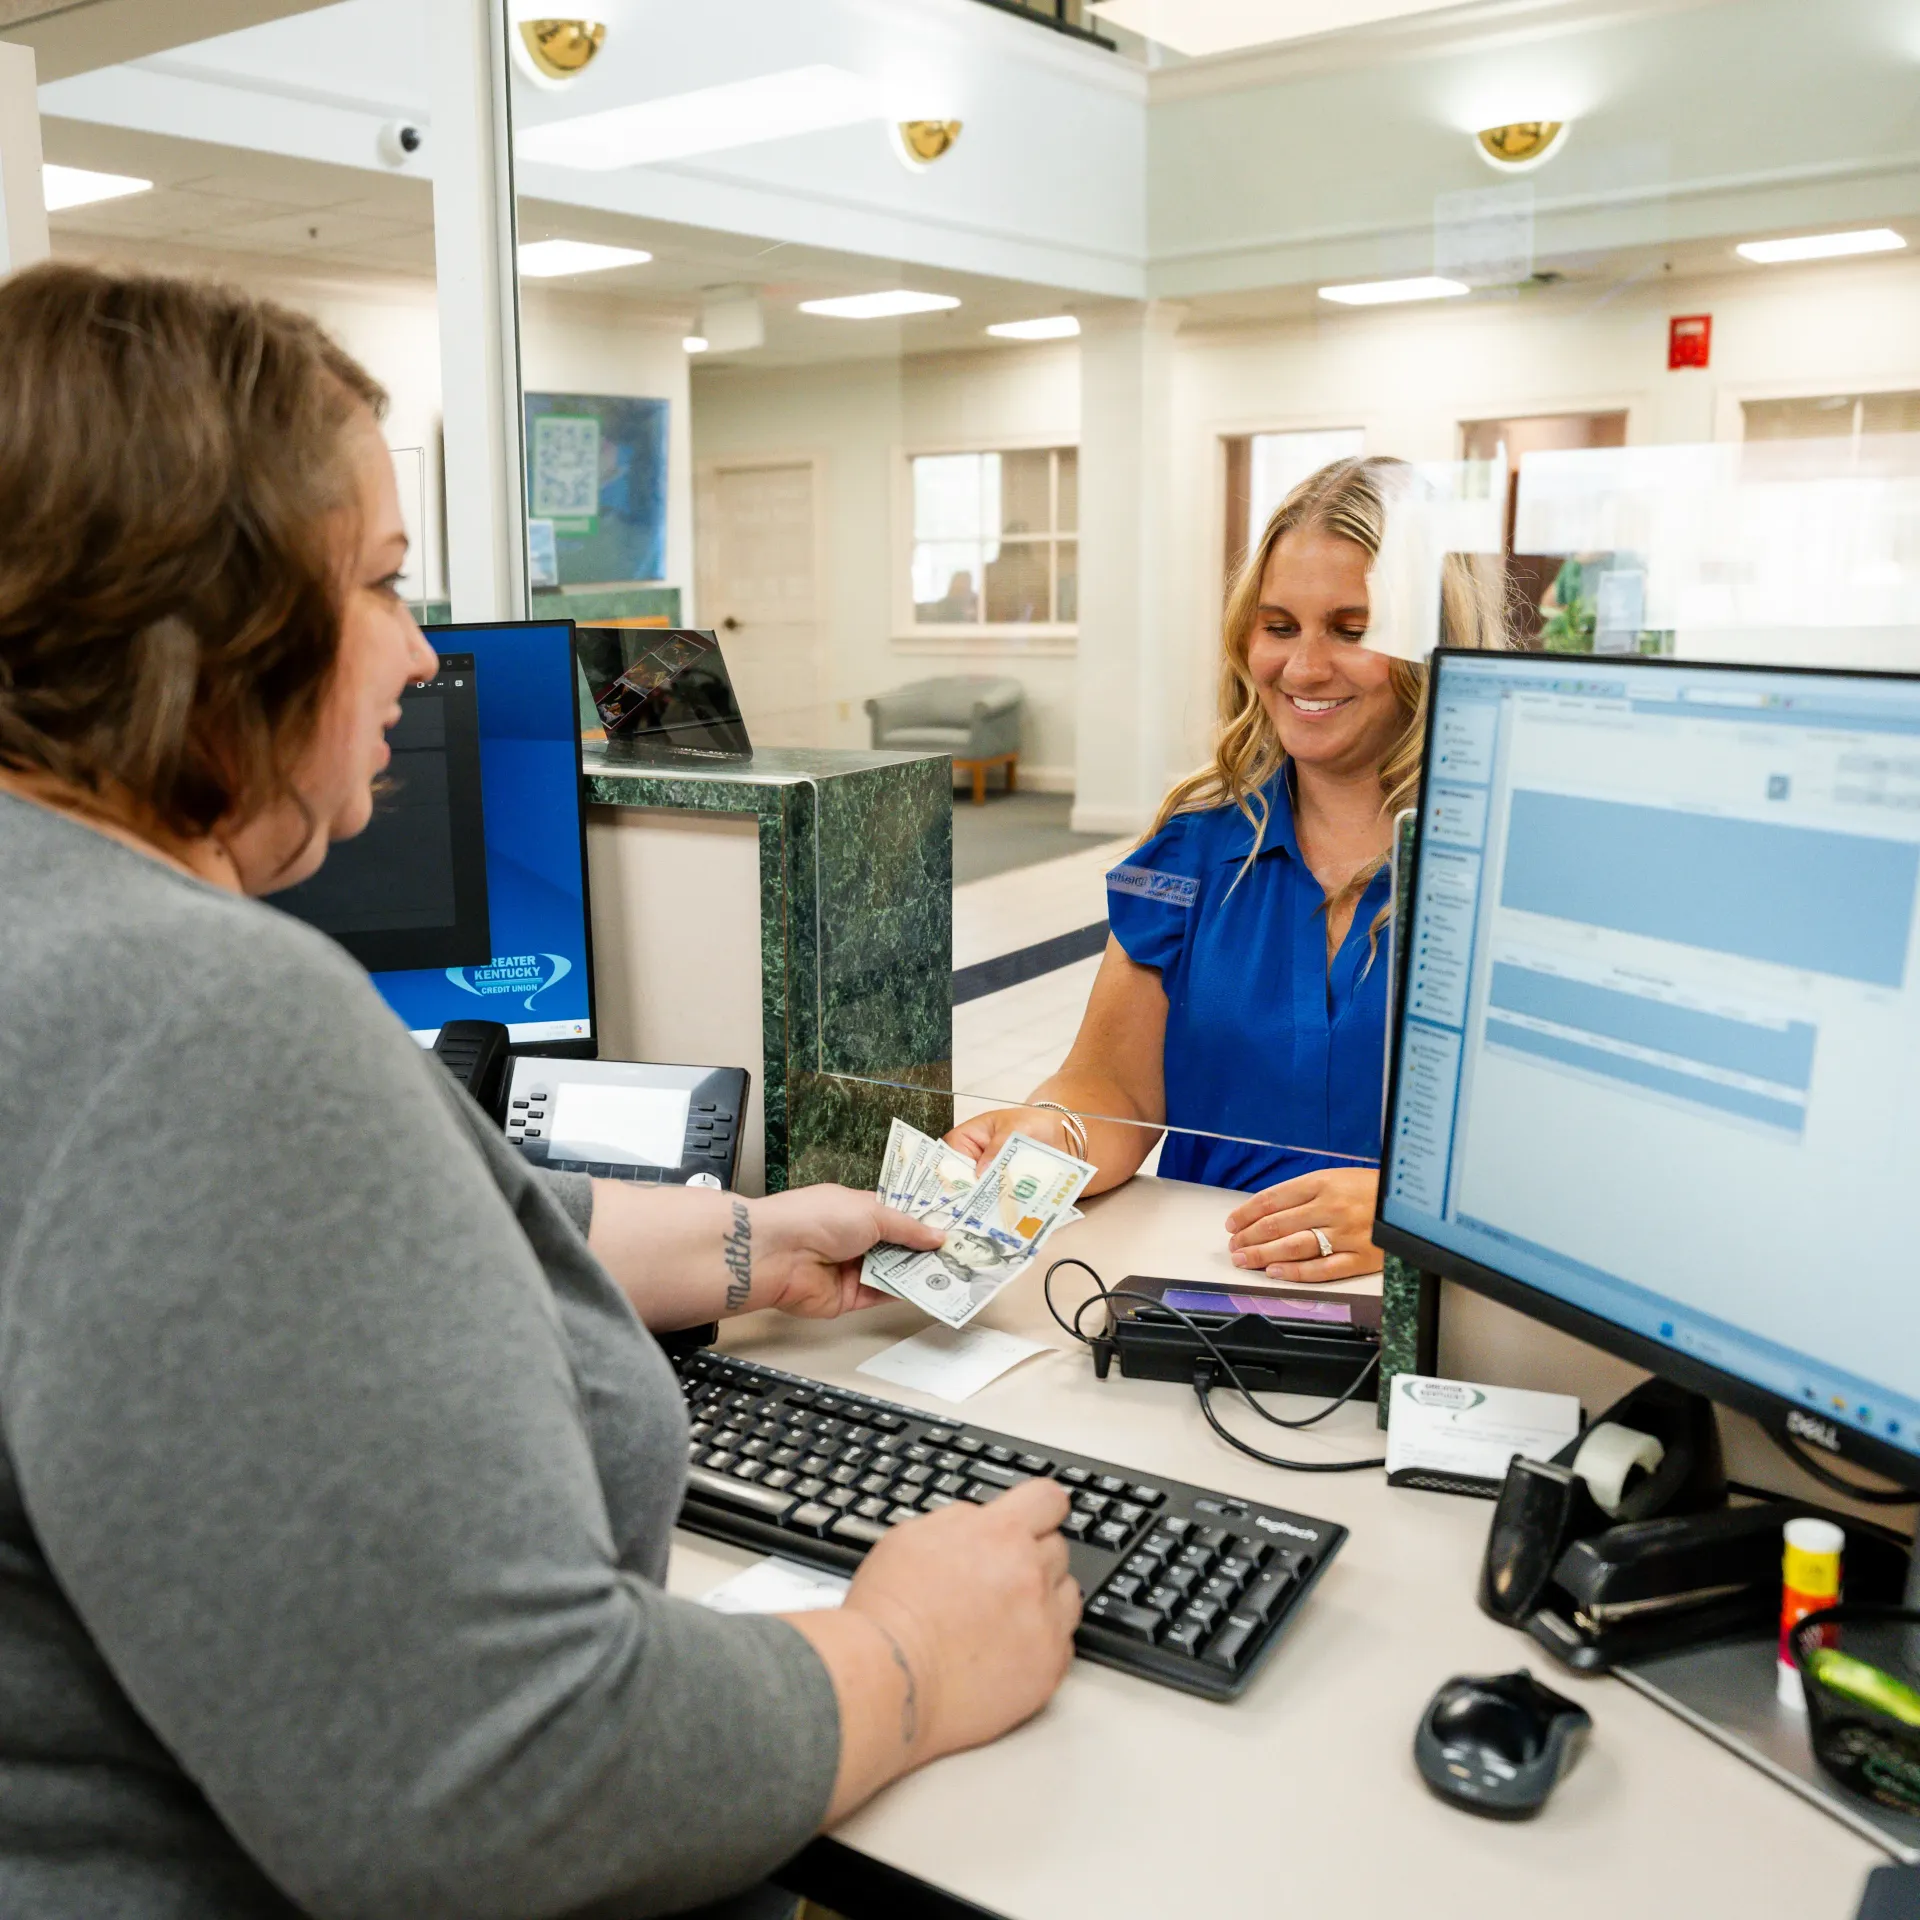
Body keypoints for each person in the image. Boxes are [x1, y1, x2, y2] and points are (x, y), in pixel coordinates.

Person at [0, 263, 1078, 1919]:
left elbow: (311, 1266)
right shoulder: (191, 1016)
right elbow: (510, 1787)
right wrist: (910, 1650)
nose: (427, 657)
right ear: (211, 635)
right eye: (379, 583)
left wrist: (738, 1244)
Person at [948, 457, 1507, 1286]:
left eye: (1353, 631)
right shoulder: (1194, 845)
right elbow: (1115, 1087)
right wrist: (1054, 1133)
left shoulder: (1507, 866)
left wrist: (1411, 1214)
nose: (1305, 668)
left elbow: (1582, 1159)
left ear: (1434, 645)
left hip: (1435, 1303)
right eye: (1279, 627)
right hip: (1204, 1287)